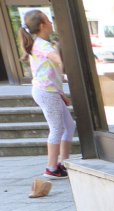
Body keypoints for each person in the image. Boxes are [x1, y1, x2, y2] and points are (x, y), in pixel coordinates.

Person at [20, 10, 74, 179]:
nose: (52, 23)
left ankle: (64, 163)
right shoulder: (43, 45)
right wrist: (63, 58)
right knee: (57, 128)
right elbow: (57, 60)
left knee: (69, 126)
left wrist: (61, 94)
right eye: (49, 21)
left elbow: (51, 75)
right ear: (43, 25)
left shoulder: (40, 43)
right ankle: (51, 168)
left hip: (49, 91)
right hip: (46, 92)